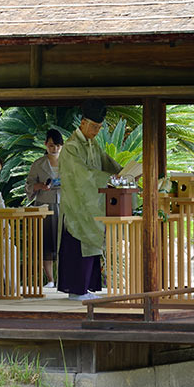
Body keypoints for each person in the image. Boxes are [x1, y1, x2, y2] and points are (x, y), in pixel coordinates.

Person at [58, 99, 121, 301]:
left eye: (99, 128)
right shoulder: (71, 147)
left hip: (91, 205)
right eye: (94, 126)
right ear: (83, 122)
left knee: (90, 245)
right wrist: (110, 178)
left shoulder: (93, 145)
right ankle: (76, 290)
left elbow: (107, 163)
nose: (96, 131)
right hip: (76, 207)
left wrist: (124, 173)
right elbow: (82, 174)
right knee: (77, 245)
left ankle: (85, 288)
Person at [26, 129, 63, 288]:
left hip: (64, 204)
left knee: (64, 241)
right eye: (51, 145)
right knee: (46, 241)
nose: (54, 149)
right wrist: (40, 186)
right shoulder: (38, 164)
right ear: (45, 145)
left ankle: (63, 278)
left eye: (57, 146)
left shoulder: (68, 163)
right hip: (44, 204)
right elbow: (28, 185)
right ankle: (50, 279)